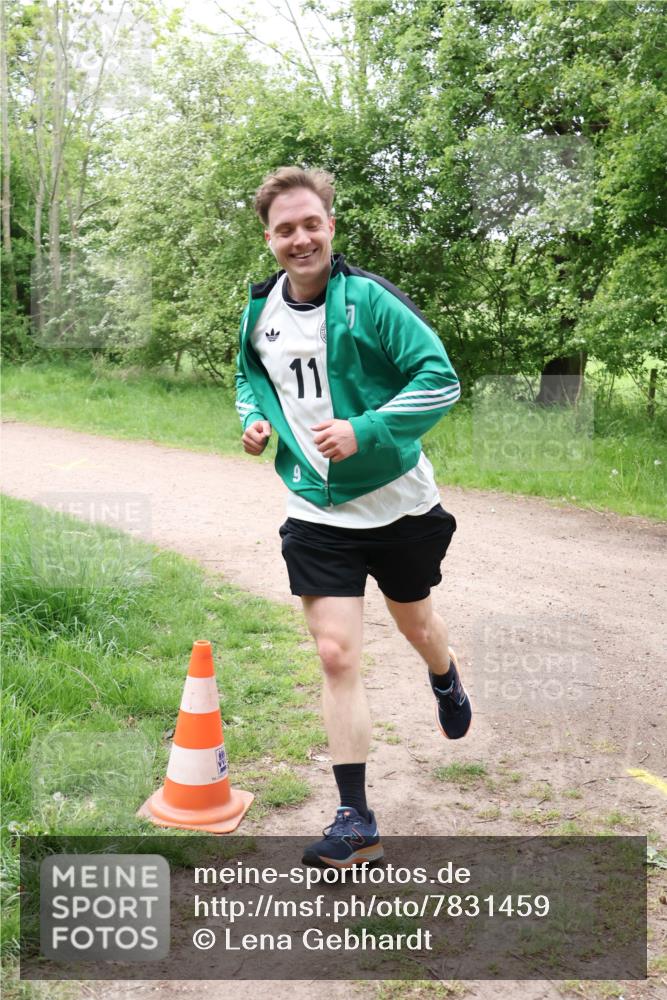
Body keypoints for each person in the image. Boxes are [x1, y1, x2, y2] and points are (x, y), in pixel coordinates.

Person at [235, 166, 471, 868]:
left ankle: (443, 674)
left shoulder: (369, 302)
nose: (299, 238)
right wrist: (253, 420)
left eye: (311, 223)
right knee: (335, 653)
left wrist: (365, 429)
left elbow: (441, 379)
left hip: (397, 506)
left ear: (330, 225)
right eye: (285, 229)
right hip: (315, 508)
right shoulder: (259, 310)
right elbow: (250, 374)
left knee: (417, 623)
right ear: (268, 238)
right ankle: (354, 817)